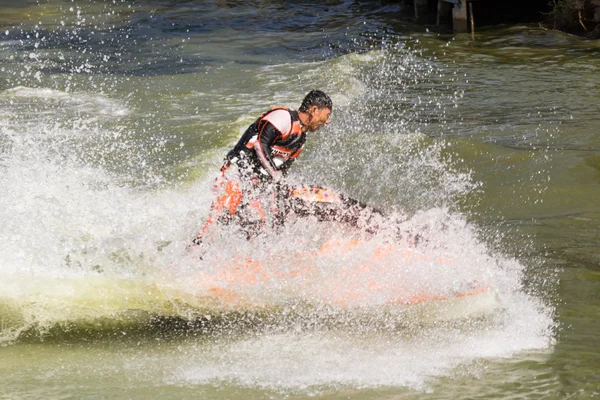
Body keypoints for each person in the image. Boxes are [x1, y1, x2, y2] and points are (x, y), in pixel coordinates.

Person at [192, 90, 333, 244]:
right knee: (218, 224)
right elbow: (260, 145)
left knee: (258, 227)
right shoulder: (283, 117)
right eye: (326, 115)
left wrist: (278, 206)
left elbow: (280, 173)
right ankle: (192, 254)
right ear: (314, 110)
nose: (327, 122)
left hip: (252, 184)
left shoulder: (300, 140)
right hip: (235, 174)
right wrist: (276, 177)